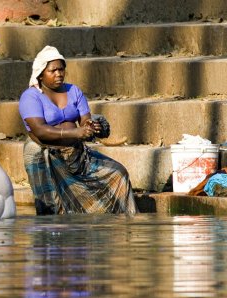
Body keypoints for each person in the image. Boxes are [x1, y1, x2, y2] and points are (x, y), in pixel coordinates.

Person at [18, 45, 138, 215]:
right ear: (40, 75)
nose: (59, 74)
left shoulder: (73, 91)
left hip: (77, 154)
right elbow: (39, 130)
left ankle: (119, 228)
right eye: (53, 71)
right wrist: (75, 133)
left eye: (61, 69)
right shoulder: (30, 96)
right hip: (43, 155)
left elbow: (85, 119)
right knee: (51, 205)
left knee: (118, 173)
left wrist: (91, 126)